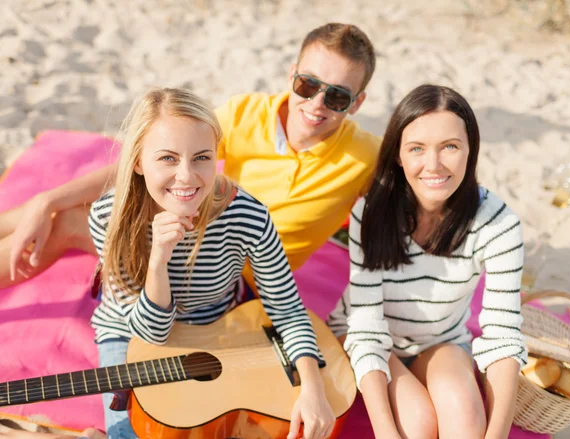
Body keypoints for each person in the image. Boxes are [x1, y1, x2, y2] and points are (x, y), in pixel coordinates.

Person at [0, 22, 380, 289]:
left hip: (227, 274)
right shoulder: (246, 112)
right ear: (292, 74)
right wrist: (44, 199)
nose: (315, 104)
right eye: (308, 84)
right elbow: (150, 162)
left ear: (358, 103)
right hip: (191, 227)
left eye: (337, 97)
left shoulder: (366, 155)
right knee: (57, 208)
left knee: (67, 223)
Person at [88, 87, 333, 439]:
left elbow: (288, 310)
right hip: (130, 332)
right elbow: (151, 335)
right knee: (129, 434)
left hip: (218, 328)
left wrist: (312, 387)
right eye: (168, 158)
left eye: (201, 157)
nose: (187, 176)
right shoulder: (107, 218)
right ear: (138, 160)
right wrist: (158, 260)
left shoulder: (247, 215)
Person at [327, 85, 526, 439]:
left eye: (449, 146)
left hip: (442, 340)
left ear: (470, 150)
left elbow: (503, 337)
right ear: (399, 156)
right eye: (417, 149)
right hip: (364, 335)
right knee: (417, 423)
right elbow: (367, 329)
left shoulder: (498, 223)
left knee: (464, 415)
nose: (433, 165)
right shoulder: (371, 213)